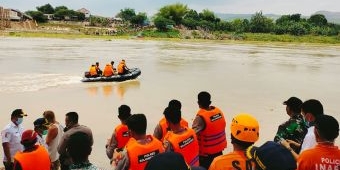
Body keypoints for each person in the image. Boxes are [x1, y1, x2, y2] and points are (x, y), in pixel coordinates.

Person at [192, 91, 227, 169]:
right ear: (210, 102)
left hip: (206, 157)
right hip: (219, 152)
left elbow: (192, 135)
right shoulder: (218, 112)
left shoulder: (200, 118)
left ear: (198, 103)